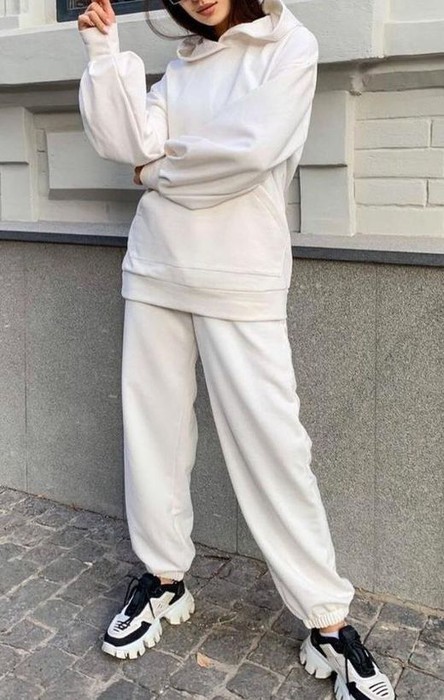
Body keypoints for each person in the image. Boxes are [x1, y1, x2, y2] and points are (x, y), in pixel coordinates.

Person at [77, 1, 395, 698]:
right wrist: (103, 52)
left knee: (273, 443)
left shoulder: (290, 46)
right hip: (156, 267)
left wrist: (156, 173)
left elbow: (247, 153)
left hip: (242, 274)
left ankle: (327, 619)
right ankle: (163, 578)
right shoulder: (183, 66)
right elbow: (125, 140)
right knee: (153, 431)